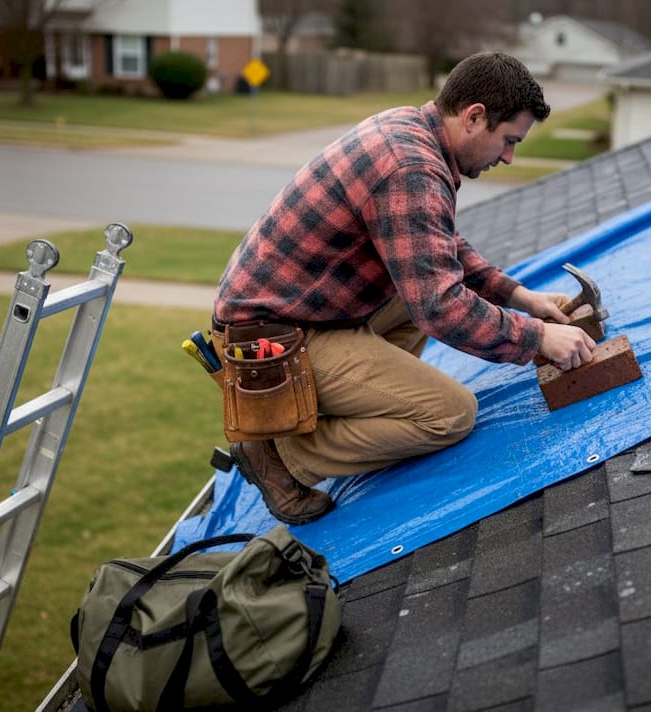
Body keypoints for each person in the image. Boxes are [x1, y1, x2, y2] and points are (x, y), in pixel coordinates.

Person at [213, 51, 596, 524]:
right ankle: (283, 456)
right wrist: (537, 338)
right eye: (509, 140)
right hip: (270, 343)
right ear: (474, 117)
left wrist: (520, 296)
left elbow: (437, 246)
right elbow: (441, 308)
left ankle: (360, 404)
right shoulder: (409, 168)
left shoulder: (412, 128)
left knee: (420, 285)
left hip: (305, 313)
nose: (508, 156)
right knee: (450, 414)